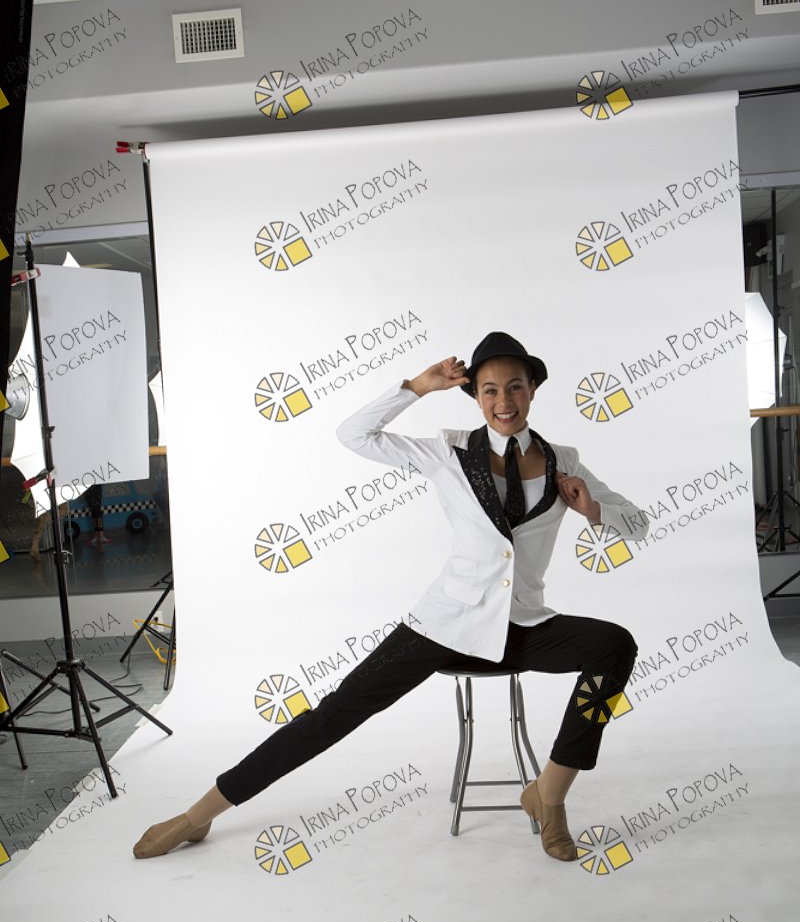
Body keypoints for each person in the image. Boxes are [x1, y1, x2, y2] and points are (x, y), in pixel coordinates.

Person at [133, 331, 646, 862]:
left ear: (533, 389)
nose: (504, 401)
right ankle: (198, 814)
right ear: (475, 397)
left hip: (524, 627)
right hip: (445, 626)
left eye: (515, 387)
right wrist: (417, 387)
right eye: (490, 390)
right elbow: (353, 434)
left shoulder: (565, 462)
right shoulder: (449, 452)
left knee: (614, 647)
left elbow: (639, 523)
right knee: (334, 715)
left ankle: (549, 794)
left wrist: (594, 510)